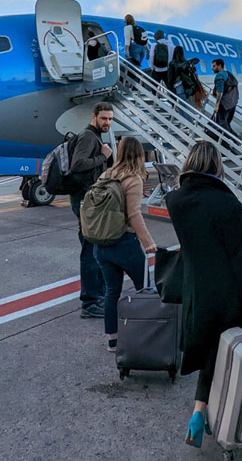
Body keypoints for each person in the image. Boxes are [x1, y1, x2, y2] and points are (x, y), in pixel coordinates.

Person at [166, 142, 242, 448]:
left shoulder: (175, 200)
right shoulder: (227, 204)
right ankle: (224, 416)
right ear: (216, 166)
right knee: (225, 352)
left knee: (210, 347)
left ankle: (200, 410)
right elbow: (240, 260)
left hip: (196, 288)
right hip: (227, 291)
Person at [92, 137, 158, 352]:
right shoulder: (133, 179)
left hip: (101, 244)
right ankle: (146, 336)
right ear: (139, 154)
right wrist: (148, 242)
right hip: (124, 243)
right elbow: (134, 214)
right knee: (145, 290)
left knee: (112, 291)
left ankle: (113, 339)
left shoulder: (106, 174)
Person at [70, 102, 115, 318]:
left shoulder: (95, 136)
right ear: (94, 116)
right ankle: (89, 302)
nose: (107, 123)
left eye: (110, 119)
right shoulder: (88, 136)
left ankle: (98, 295)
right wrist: (103, 157)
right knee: (90, 252)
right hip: (86, 203)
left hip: (91, 202)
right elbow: (77, 165)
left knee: (95, 251)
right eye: (104, 118)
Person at [211, 59, 239, 133]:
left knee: (221, 126)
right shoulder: (229, 75)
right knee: (226, 124)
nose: (212, 68)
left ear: (220, 66)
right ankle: (229, 141)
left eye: (214, 66)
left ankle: (235, 140)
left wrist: (217, 105)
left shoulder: (219, 76)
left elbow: (220, 93)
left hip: (224, 105)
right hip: (232, 103)